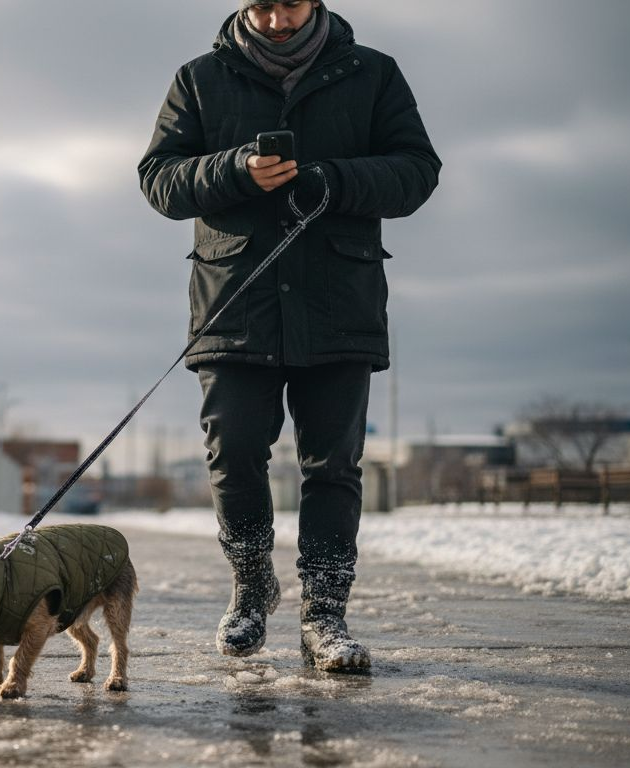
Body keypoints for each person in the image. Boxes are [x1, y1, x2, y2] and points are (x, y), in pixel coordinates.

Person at [137, 0, 440, 671]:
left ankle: (324, 616)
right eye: (264, 5)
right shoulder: (200, 78)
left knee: (333, 464)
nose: (278, 20)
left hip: (338, 299)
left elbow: (417, 171)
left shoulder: (373, 74)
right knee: (235, 450)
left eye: (292, 4)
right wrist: (235, 169)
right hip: (235, 301)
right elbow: (159, 181)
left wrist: (333, 179)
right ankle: (250, 588)